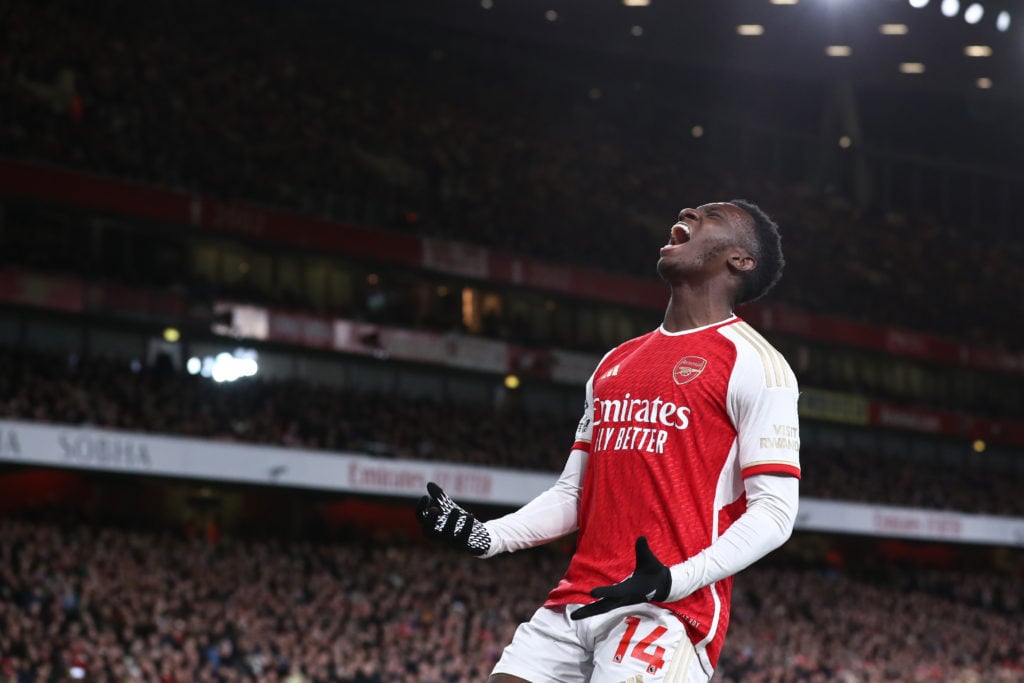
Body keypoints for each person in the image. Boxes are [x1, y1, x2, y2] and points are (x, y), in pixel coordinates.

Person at [417, 200, 801, 682]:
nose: (688, 211)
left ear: (740, 261)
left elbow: (775, 513)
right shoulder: (615, 362)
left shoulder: (758, 365)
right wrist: (488, 536)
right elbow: (575, 493)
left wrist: (673, 580)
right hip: (574, 601)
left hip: (665, 611)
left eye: (712, 216)